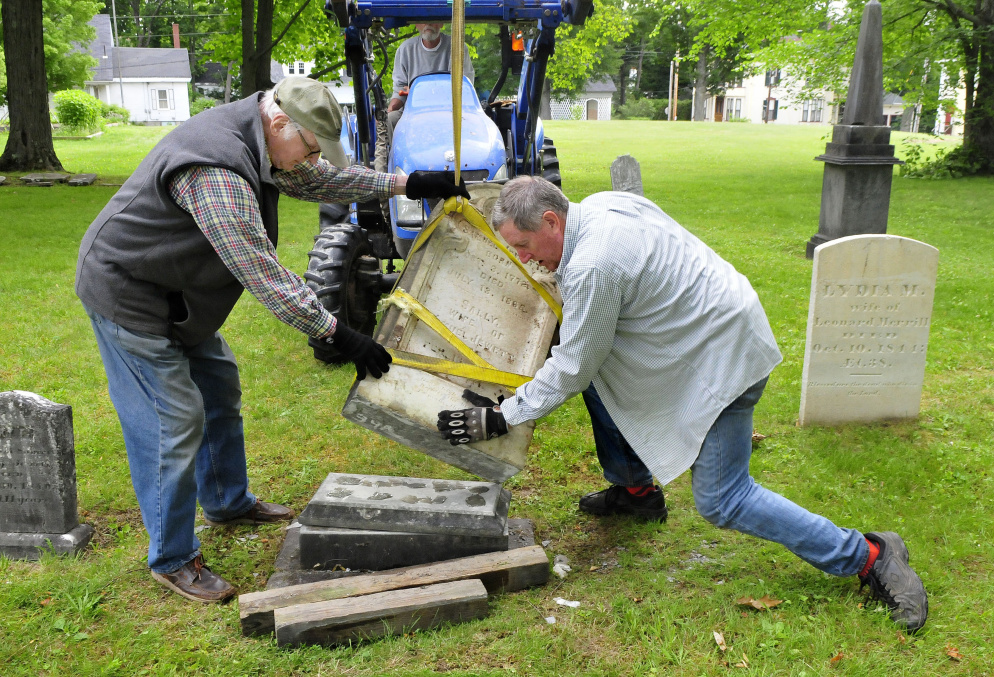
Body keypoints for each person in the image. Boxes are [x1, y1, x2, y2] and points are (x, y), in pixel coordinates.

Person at [437, 176, 929, 633]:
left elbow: (573, 366)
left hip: (722, 358)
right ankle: (636, 493)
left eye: (524, 247)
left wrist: (503, 415)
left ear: (551, 221)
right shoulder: (604, 206)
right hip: (718, 320)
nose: (525, 259)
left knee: (723, 498)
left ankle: (870, 556)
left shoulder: (592, 264)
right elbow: (588, 356)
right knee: (602, 379)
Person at [76, 76, 467, 603]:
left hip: (180, 295)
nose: (310, 159)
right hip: (131, 293)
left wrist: (405, 184)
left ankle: (228, 502)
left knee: (218, 387)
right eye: (308, 147)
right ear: (280, 122)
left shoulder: (266, 136)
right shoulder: (215, 170)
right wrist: (340, 333)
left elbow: (321, 182)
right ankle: (172, 558)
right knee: (173, 419)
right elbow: (264, 276)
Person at [374, 23, 475, 172]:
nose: (428, 24)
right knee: (390, 119)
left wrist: (423, 90)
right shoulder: (405, 49)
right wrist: (389, 110)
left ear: (440, 23)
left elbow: (465, 85)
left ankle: (470, 163)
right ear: (416, 25)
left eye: (433, 19)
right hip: (413, 111)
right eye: (423, 20)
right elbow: (400, 88)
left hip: (449, 110)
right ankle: (391, 168)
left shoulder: (457, 48)